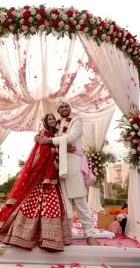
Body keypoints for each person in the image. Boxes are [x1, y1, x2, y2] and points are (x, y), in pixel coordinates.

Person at [0, 113, 72, 252]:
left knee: (51, 204)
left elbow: (54, 148)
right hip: (41, 175)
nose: (52, 120)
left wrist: (62, 148)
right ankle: (25, 235)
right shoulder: (44, 134)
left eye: (54, 118)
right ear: (45, 122)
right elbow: (43, 152)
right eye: (50, 119)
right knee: (33, 203)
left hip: (51, 174)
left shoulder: (54, 134)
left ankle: (49, 237)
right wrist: (58, 149)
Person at [36, 98, 99, 246]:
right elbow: (47, 136)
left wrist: (51, 142)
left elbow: (71, 137)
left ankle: (89, 234)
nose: (64, 108)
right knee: (64, 203)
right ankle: (67, 233)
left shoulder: (76, 121)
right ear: (58, 110)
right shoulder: (57, 125)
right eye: (61, 107)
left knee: (80, 200)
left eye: (66, 106)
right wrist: (40, 138)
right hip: (59, 166)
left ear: (69, 108)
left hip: (74, 164)